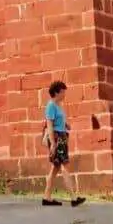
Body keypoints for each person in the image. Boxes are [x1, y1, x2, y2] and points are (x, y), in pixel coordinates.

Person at [42, 80, 85, 208]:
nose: (64, 94)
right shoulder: (51, 106)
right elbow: (50, 125)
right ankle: (73, 198)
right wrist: (53, 144)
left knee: (55, 169)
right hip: (56, 138)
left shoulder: (58, 105)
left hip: (61, 136)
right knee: (64, 166)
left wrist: (66, 124)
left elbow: (58, 120)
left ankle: (46, 198)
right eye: (62, 92)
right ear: (56, 92)